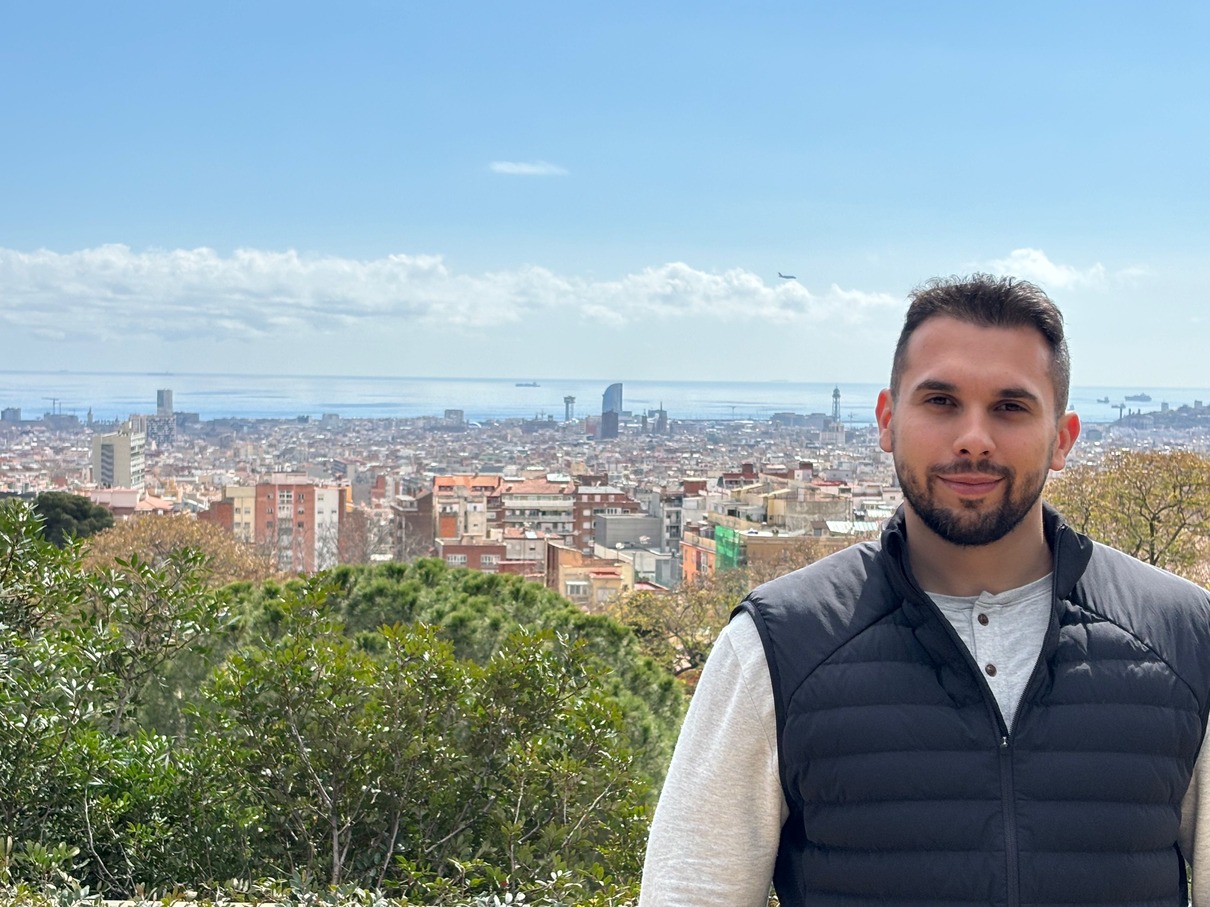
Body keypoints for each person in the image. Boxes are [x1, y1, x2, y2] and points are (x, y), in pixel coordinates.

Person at [639, 274, 1210, 907]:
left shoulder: (1181, 635)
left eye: (1010, 407)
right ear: (887, 421)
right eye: (940, 401)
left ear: (1063, 439)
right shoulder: (777, 648)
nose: (973, 438)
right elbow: (690, 890)